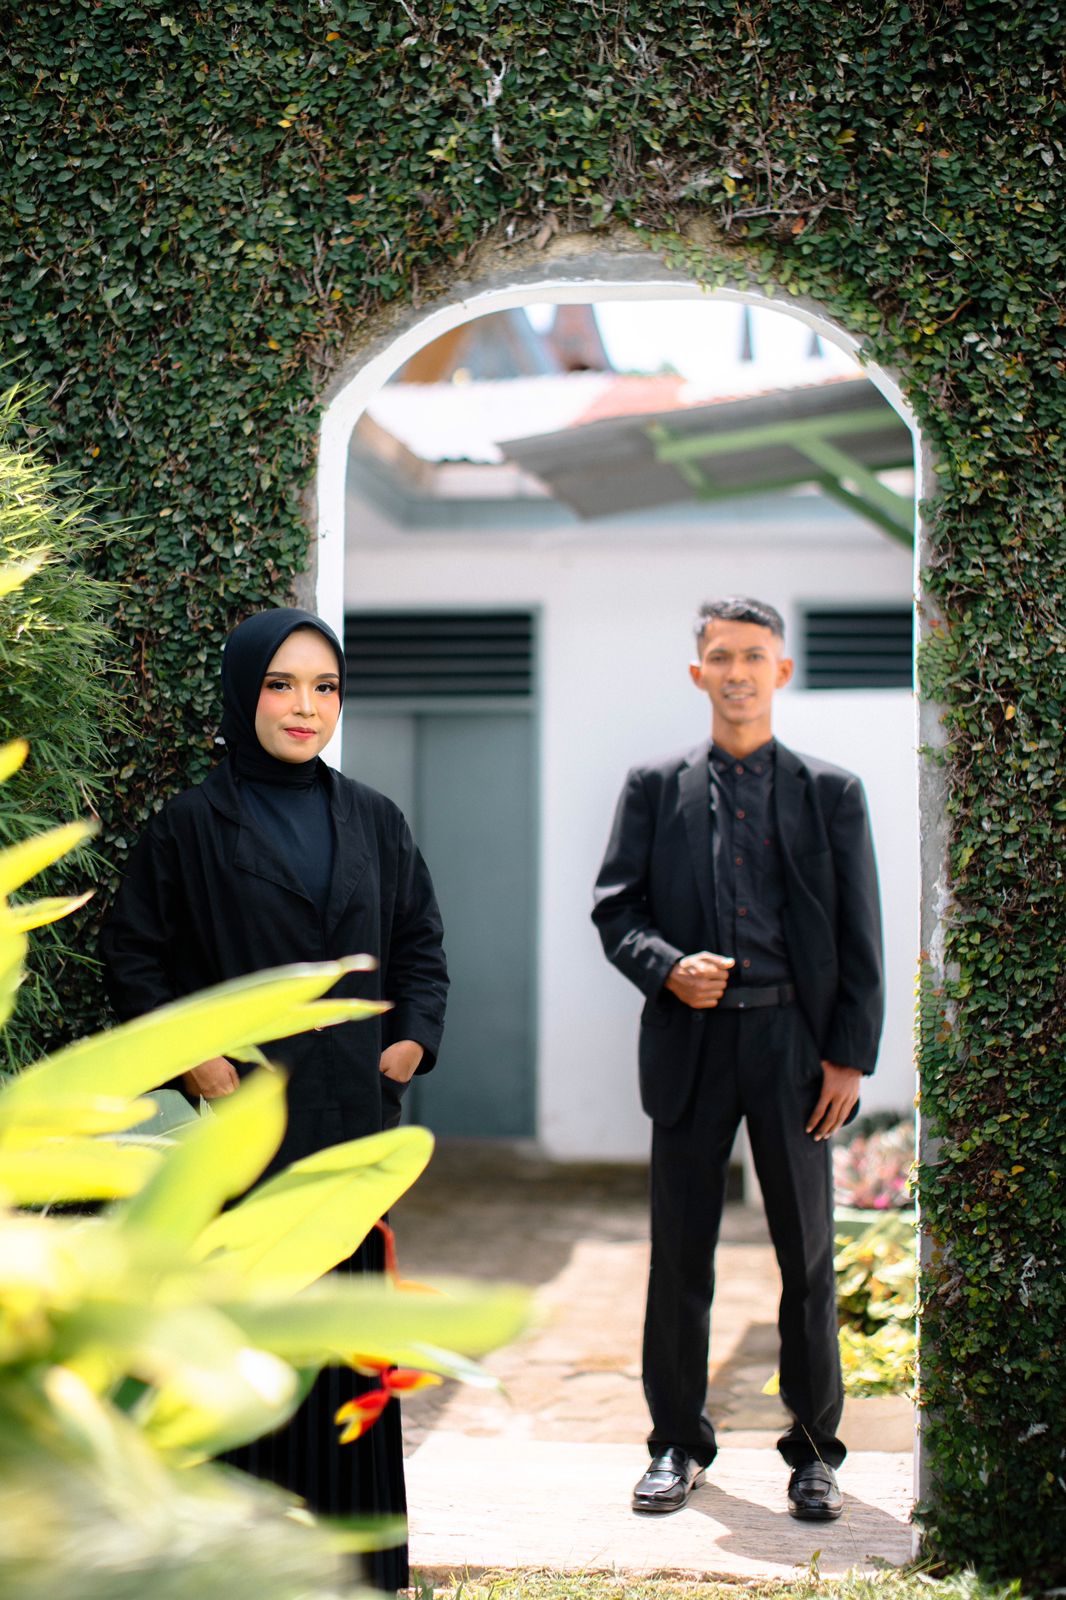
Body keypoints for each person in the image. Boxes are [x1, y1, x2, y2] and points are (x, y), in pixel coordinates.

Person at [101, 607, 448, 1589]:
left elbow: (419, 942)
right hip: (239, 1139)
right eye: (282, 684)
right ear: (243, 693)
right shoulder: (189, 825)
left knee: (344, 1355)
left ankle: (356, 1571)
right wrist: (198, 1060)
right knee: (245, 1355)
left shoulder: (374, 819)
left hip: (349, 1134)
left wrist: (409, 1043)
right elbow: (133, 955)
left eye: (325, 687)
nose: (306, 706)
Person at [592, 596, 883, 1523]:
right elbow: (616, 909)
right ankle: (675, 1443)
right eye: (721, 656)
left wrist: (849, 1058)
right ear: (698, 673)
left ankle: (815, 1454)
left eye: (754, 656)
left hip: (795, 1047)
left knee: (807, 1256)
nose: (738, 672)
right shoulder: (653, 786)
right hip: (693, 1043)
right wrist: (667, 967)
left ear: (781, 670)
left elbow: (860, 933)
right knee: (680, 1254)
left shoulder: (831, 792)